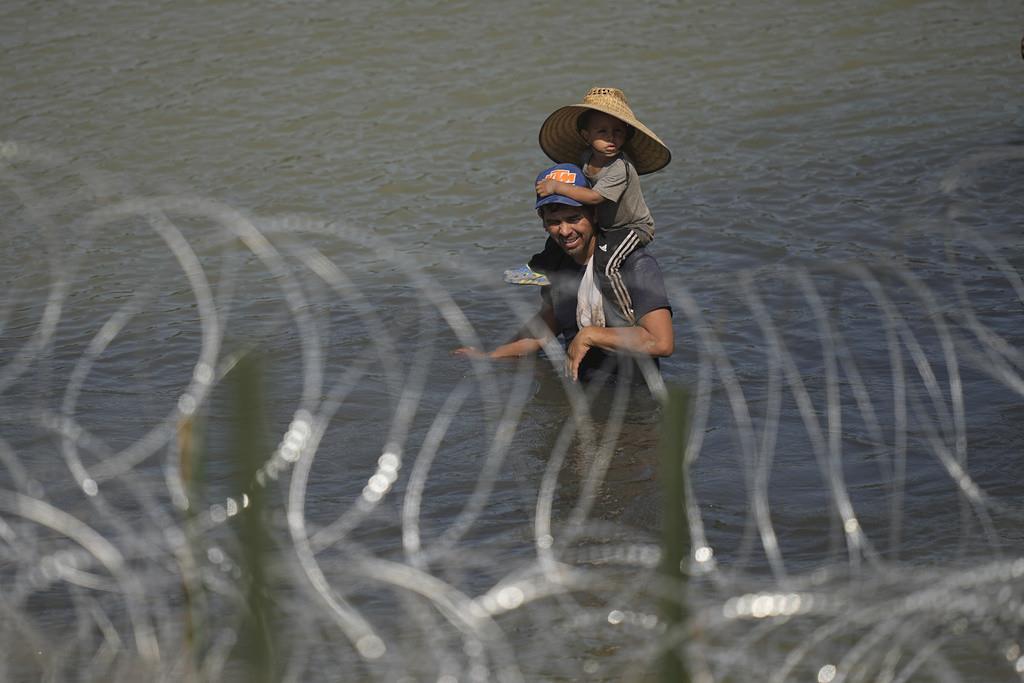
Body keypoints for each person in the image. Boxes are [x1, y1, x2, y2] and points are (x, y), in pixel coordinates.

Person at [455, 164, 673, 382]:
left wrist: (590, 336)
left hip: (629, 394)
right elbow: (543, 330)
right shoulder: (557, 266)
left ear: (594, 215)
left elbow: (661, 343)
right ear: (543, 223)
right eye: (554, 222)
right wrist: (489, 356)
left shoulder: (635, 264)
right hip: (577, 387)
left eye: (574, 218)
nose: (565, 231)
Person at [528, 87, 671, 326]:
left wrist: (558, 188)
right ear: (586, 136)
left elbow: (594, 198)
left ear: (626, 135)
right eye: (602, 132)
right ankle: (538, 268)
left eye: (618, 132)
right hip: (608, 225)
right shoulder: (586, 159)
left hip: (632, 227)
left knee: (608, 264)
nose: (611, 138)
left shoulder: (619, 167)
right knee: (553, 246)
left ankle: (625, 315)